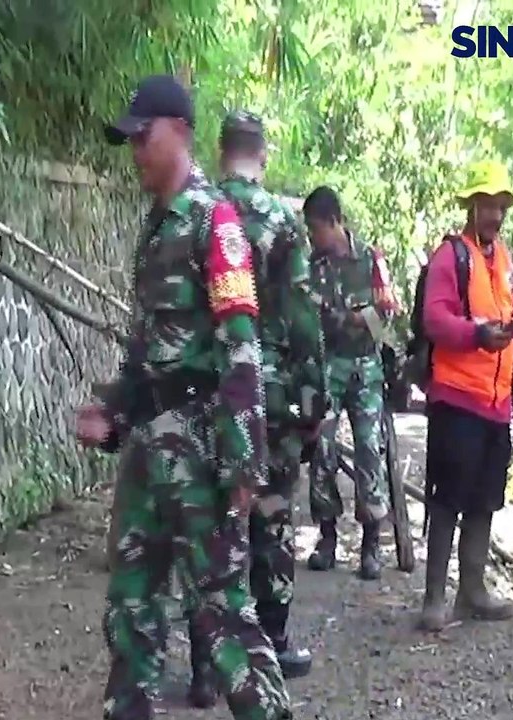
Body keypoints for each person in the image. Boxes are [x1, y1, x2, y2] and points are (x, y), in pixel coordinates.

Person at [75, 74, 292, 720]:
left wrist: (244, 461)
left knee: (223, 616)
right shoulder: (157, 227)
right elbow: (149, 349)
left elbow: (240, 345)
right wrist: (116, 412)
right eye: (131, 140)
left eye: (143, 136)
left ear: (180, 132)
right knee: (131, 607)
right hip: (149, 450)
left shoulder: (213, 222)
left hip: (200, 448)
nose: (135, 150)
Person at [180, 110, 324, 707]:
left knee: (209, 525)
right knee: (270, 518)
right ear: (263, 155)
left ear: (220, 152)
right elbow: (303, 320)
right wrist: (313, 403)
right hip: (272, 396)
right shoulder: (283, 223)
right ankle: (273, 645)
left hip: (208, 393)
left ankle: (205, 667)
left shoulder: (198, 214)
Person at [416, 161, 513, 630]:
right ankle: (433, 598)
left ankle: (472, 591)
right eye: (488, 206)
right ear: (471, 207)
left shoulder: (504, 260)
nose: (496, 215)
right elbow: (434, 319)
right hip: (456, 397)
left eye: (501, 207)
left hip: (496, 403)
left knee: (485, 500)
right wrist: (476, 334)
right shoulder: (451, 256)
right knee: (448, 498)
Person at [303, 186, 399, 581]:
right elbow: (307, 315)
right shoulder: (313, 267)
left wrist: (362, 319)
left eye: (315, 229)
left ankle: (371, 542)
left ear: (334, 222)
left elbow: (388, 312)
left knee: (369, 449)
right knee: (321, 448)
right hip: (328, 367)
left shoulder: (371, 261)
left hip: (365, 368)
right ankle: (327, 536)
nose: (312, 237)